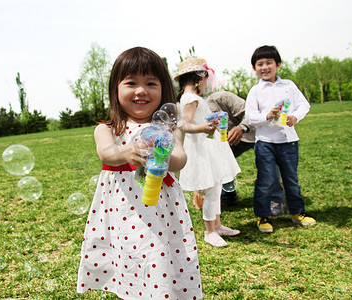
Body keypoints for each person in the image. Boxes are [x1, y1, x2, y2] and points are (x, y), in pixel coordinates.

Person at [77, 47, 202, 299]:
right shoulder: (107, 128)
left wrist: (164, 155)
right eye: (131, 82)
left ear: (163, 89)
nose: (141, 90)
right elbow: (106, 153)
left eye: (151, 83)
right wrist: (126, 152)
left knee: (159, 254)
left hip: (161, 211)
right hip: (124, 211)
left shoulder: (169, 129)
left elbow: (180, 159)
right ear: (116, 89)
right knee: (131, 259)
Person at [245, 45, 316, 233]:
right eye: (260, 64)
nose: (265, 67)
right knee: (266, 180)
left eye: (269, 63)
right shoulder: (255, 91)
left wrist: (295, 117)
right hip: (265, 143)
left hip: (289, 141)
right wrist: (267, 116)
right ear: (254, 68)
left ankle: (297, 213)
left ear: (278, 65)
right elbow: (251, 117)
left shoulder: (289, 86)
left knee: (291, 179)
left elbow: (304, 105)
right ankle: (262, 216)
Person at [176, 57, 241, 247]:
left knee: (217, 186)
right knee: (212, 188)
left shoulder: (191, 98)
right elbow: (184, 124)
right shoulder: (191, 98)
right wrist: (204, 127)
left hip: (207, 145)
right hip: (201, 148)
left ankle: (217, 225)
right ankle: (209, 230)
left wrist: (209, 124)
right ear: (200, 78)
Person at [192, 92, 286, 214]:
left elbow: (250, 112)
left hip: (255, 133)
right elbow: (200, 157)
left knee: (268, 162)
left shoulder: (221, 98)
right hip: (229, 142)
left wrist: (241, 127)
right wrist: (196, 191)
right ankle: (228, 195)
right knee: (218, 160)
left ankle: (276, 199)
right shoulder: (193, 122)